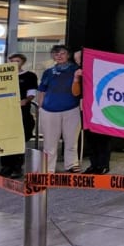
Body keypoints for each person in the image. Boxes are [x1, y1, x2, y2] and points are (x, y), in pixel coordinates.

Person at [36, 44, 81, 173]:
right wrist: (41, 107)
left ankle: (72, 164)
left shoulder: (76, 70)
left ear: (68, 55)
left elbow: (79, 91)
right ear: (53, 57)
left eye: (62, 53)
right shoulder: (48, 72)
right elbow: (42, 91)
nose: (59, 56)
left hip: (71, 109)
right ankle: (48, 168)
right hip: (49, 110)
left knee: (71, 140)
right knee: (49, 142)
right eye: (56, 54)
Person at [72, 50, 112, 174]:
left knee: (103, 138)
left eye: (81, 58)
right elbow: (75, 93)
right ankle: (94, 164)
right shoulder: (78, 72)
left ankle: (103, 164)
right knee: (90, 138)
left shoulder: (100, 70)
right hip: (87, 109)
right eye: (77, 59)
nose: (79, 61)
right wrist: (77, 78)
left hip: (101, 108)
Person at [0, 53, 38, 179]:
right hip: (5, 112)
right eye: (12, 61)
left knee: (19, 139)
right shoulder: (2, 76)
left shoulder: (30, 76)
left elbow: (32, 92)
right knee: (5, 138)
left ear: (23, 62)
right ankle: (6, 166)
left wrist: (26, 100)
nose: (14, 63)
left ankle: (17, 166)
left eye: (17, 61)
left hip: (22, 112)